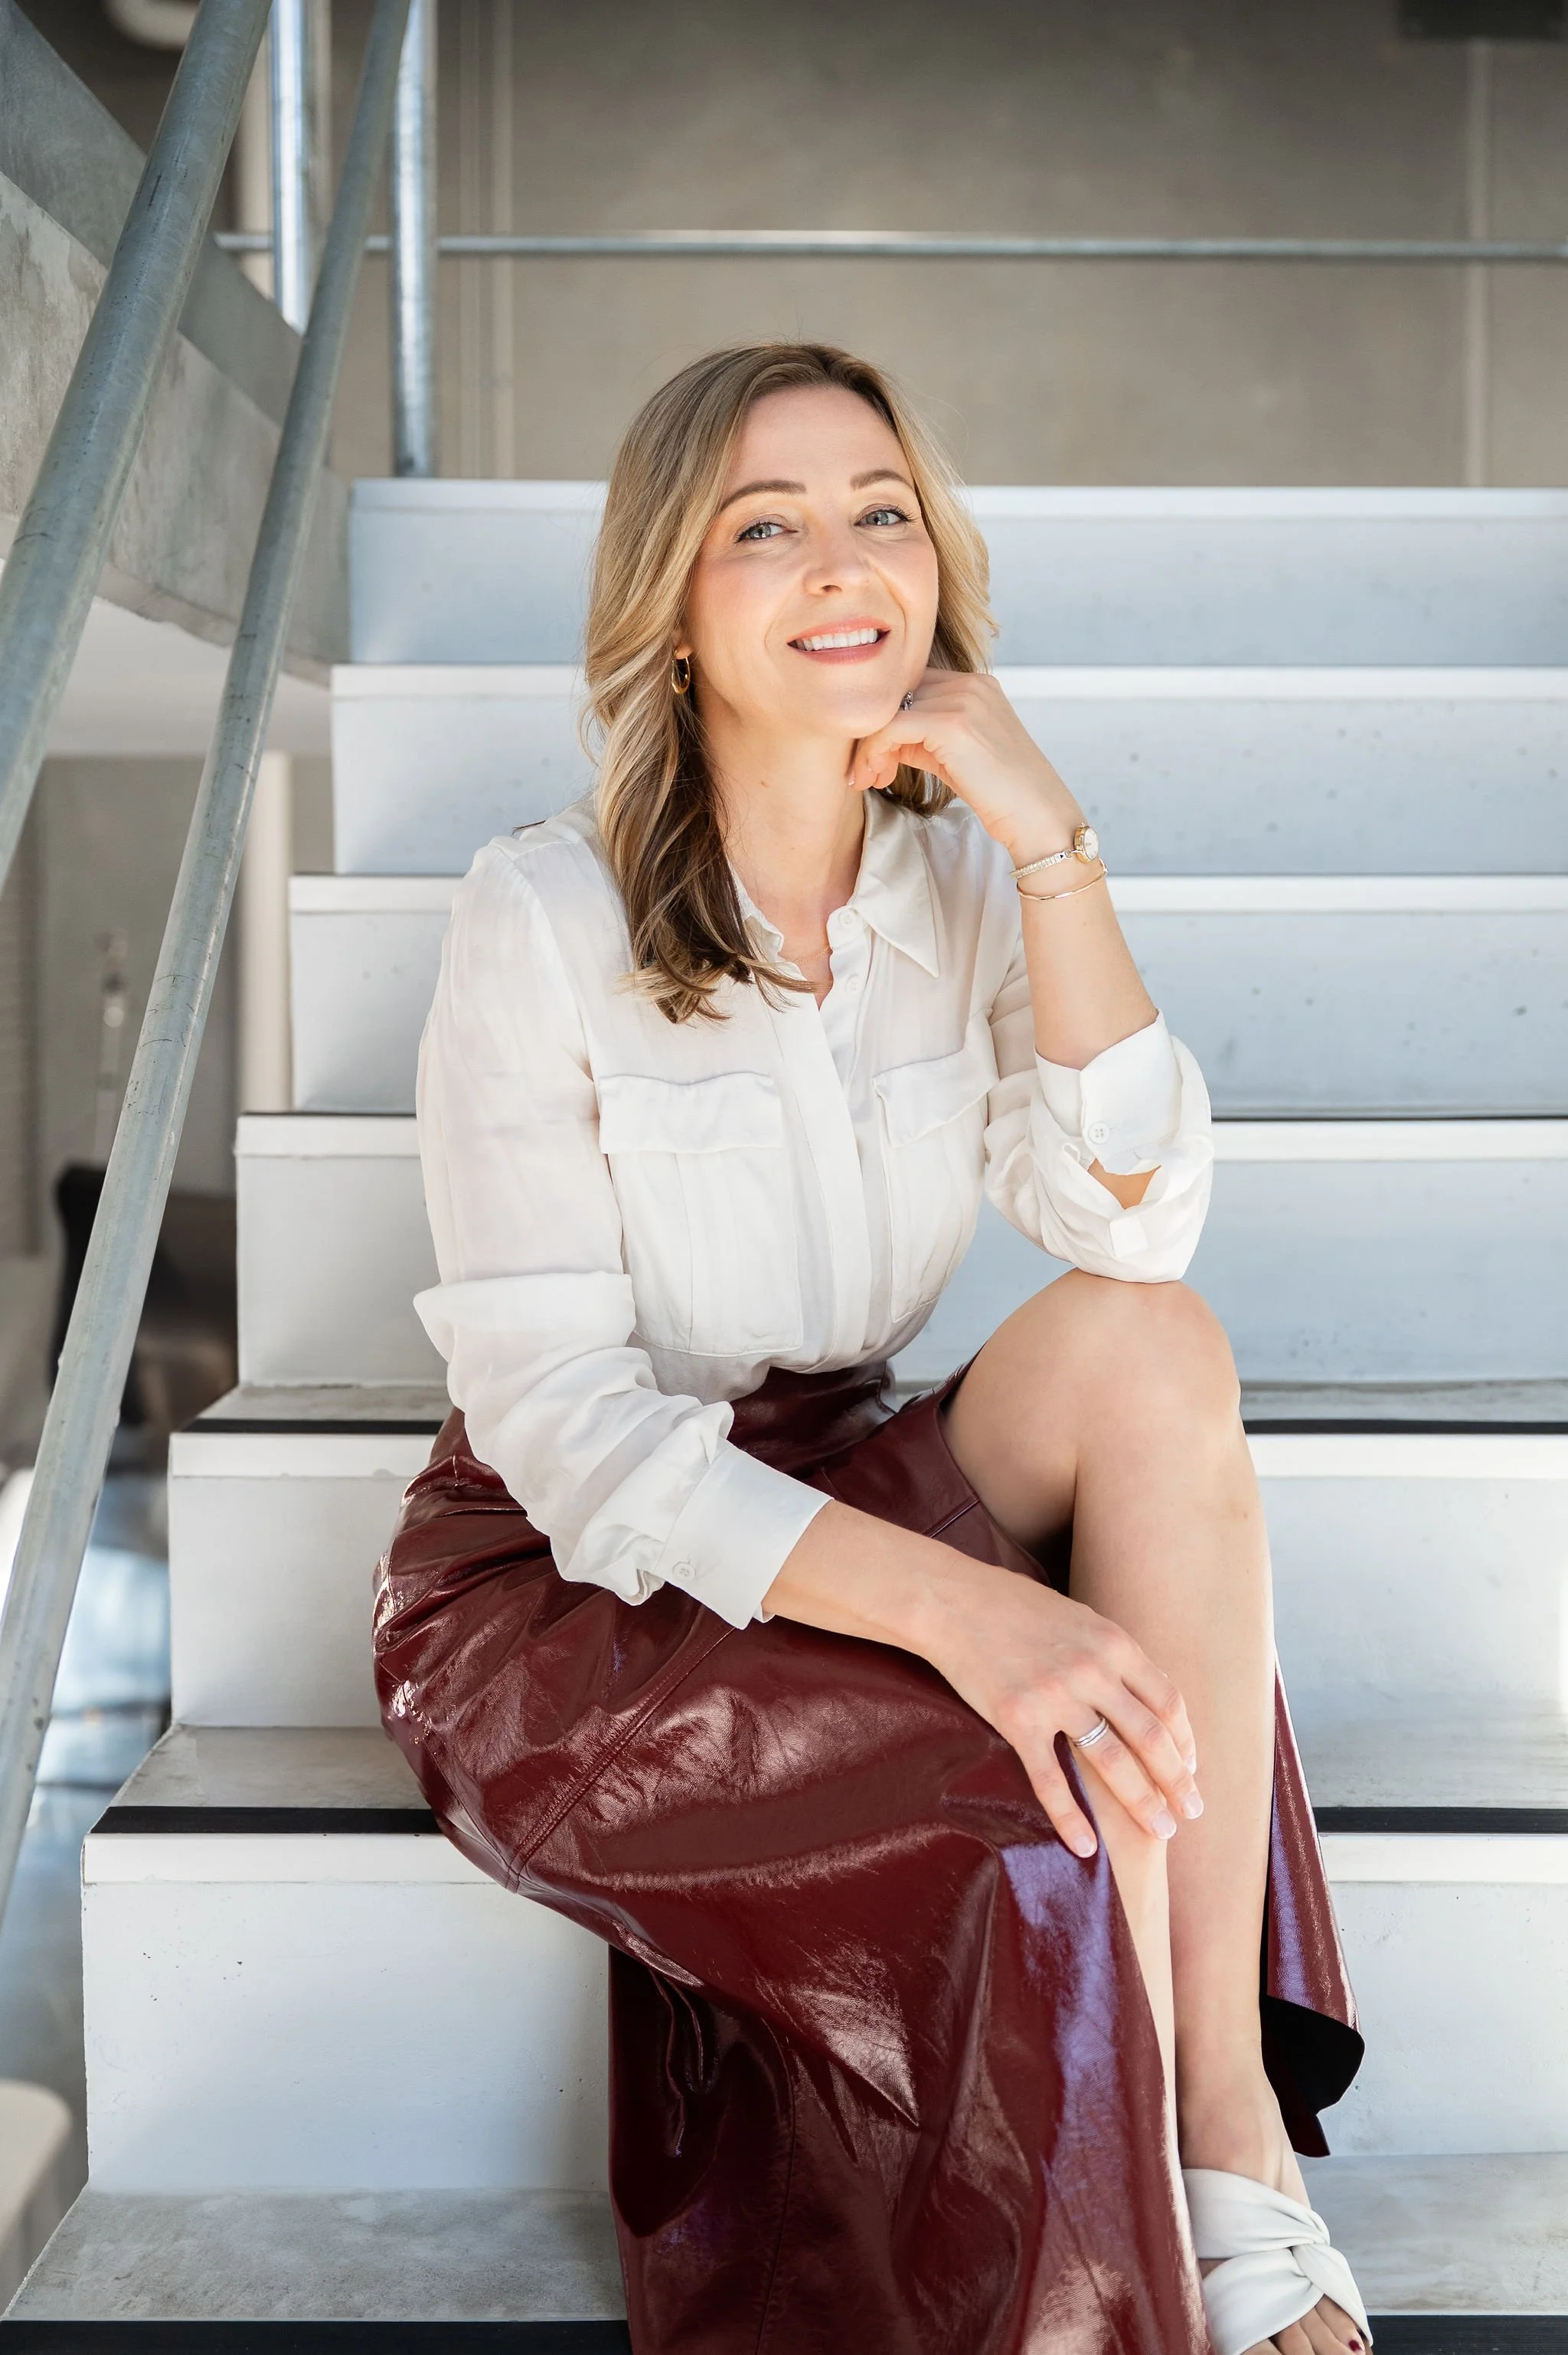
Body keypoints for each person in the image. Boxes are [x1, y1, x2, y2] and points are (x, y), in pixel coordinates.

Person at [374, 342, 1371, 2355]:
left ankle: (1230, 2148)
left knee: (1150, 1342)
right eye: (767, 523)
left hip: (846, 1460)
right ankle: (1127, 2301)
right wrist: (976, 1620)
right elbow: (565, 1429)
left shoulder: (958, 883)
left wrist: (1050, 843)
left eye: (880, 508)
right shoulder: (541, 915)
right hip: (573, 1583)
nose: (843, 562)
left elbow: (1130, 1221)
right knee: (1041, 1782)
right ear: (673, 600)